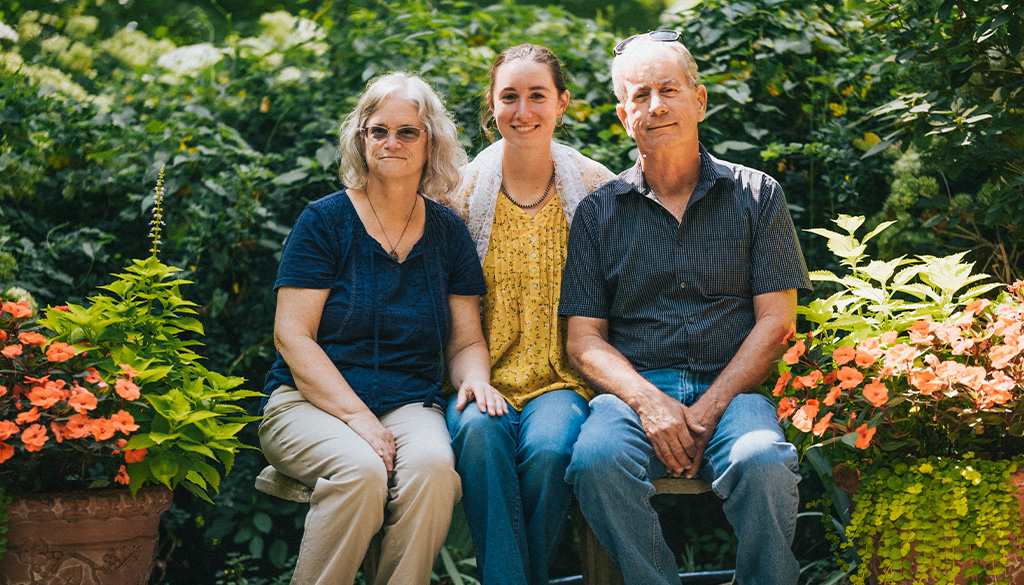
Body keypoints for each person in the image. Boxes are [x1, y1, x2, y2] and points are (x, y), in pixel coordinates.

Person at [559, 32, 813, 585]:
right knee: (595, 463)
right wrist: (650, 403)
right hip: (634, 392)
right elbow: (583, 338)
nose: (656, 106)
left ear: (698, 100)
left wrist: (710, 407)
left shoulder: (757, 195)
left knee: (763, 462)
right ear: (624, 114)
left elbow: (777, 321)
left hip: (734, 387)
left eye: (668, 90)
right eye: (640, 95)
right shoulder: (599, 212)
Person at [256, 72, 506, 585]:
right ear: (361, 138)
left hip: (407, 404)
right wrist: (357, 418)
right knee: (360, 470)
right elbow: (292, 337)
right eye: (378, 130)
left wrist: (475, 378)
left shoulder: (447, 232)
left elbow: (465, 340)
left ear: (430, 141)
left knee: (436, 471)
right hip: (307, 403)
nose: (391, 142)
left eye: (407, 131)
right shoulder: (323, 222)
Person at [444, 44, 615, 585]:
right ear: (491, 108)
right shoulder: (461, 194)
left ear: (561, 103)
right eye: (509, 97)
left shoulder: (595, 188)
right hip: (480, 373)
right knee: (477, 436)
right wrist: (474, 379)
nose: (523, 111)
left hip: (562, 380)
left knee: (550, 448)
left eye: (536, 96)